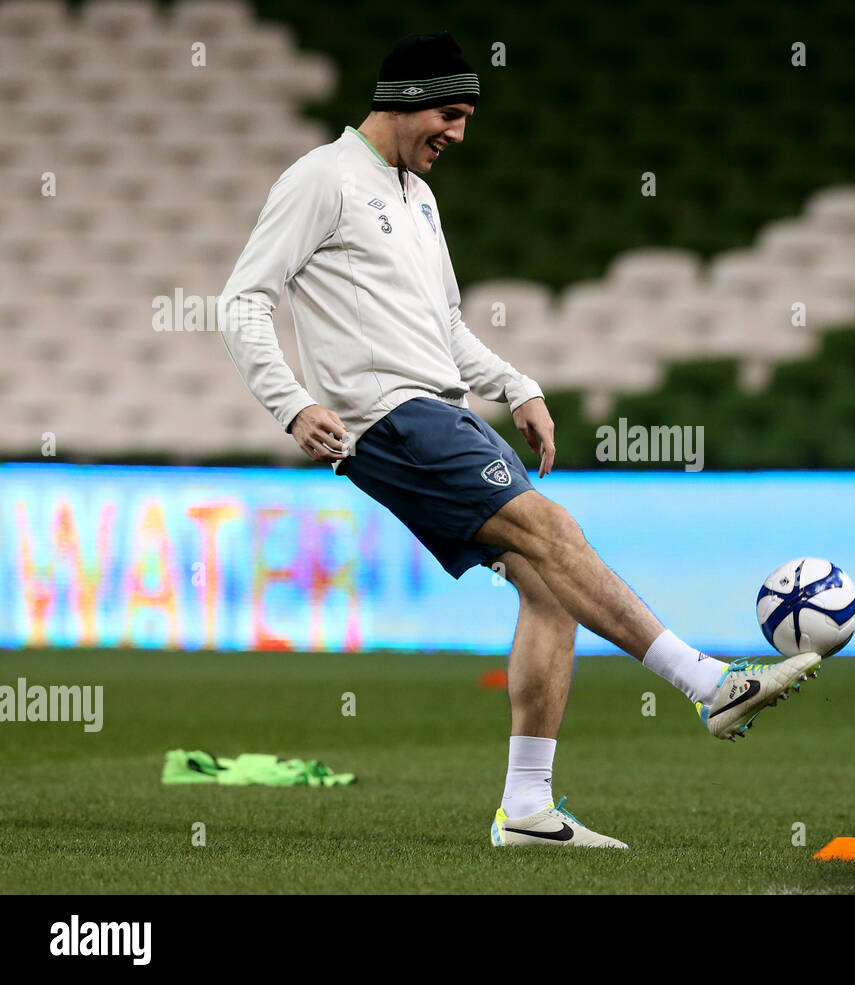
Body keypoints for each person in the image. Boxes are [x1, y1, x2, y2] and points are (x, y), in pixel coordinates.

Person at [220, 33, 822, 849]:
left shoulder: (417, 198)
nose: (458, 134)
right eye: (450, 113)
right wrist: (290, 403)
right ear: (404, 98)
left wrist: (518, 386)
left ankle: (528, 809)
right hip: (389, 417)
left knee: (550, 586)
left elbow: (447, 329)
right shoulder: (322, 179)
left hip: (438, 408)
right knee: (556, 530)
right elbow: (244, 300)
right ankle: (708, 682)